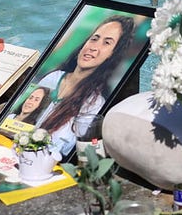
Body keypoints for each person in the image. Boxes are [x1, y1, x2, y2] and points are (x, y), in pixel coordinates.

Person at [24, 16, 137, 158]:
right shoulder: (53, 78)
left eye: (106, 43)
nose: (94, 47)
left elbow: (79, 154)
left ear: (111, 55)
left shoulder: (93, 104)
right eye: (94, 38)